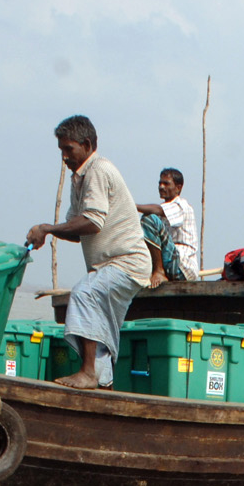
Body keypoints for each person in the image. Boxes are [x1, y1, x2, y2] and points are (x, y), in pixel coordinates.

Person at [26, 116, 150, 390]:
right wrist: (50, 232)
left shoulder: (98, 170)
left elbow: (93, 223)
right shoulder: (79, 178)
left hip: (127, 262)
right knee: (101, 325)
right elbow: (76, 229)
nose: (64, 157)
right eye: (61, 151)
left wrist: (47, 228)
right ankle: (103, 385)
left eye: (68, 149)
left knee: (84, 293)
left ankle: (88, 373)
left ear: (87, 144)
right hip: (109, 265)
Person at [135, 167, 197, 286]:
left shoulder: (181, 205)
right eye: (160, 183)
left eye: (166, 183)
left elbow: (157, 210)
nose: (161, 187)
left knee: (148, 219)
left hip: (181, 265)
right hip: (170, 261)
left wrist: (131, 205)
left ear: (178, 188)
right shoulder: (164, 209)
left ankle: (158, 271)